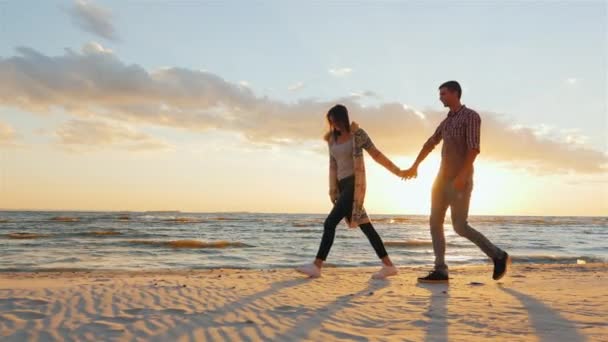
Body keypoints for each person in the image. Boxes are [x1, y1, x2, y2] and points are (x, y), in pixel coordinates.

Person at [401, 81, 510, 283]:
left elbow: (474, 148)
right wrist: (415, 165)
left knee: (460, 226)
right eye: (439, 94)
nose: (440, 97)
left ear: (455, 93)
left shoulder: (471, 117)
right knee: (435, 223)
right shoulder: (446, 122)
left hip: (460, 179)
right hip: (440, 180)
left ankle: (498, 255)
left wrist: (462, 175)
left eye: (443, 93)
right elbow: (430, 143)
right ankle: (440, 269)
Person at [296, 104, 402, 279]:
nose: (335, 124)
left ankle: (317, 265)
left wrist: (398, 171)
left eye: (336, 120)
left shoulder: (358, 135)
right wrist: (333, 190)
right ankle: (389, 265)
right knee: (366, 227)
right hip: (342, 186)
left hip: (355, 185)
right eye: (331, 122)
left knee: (330, 223)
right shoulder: (331, 140)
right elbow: (333, 166)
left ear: (343, 118)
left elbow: (376, 154)